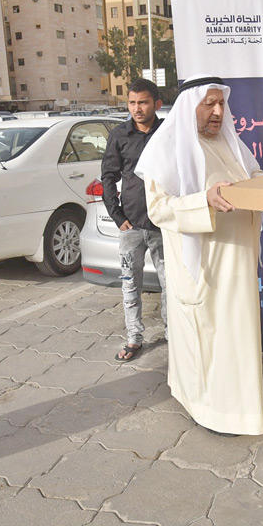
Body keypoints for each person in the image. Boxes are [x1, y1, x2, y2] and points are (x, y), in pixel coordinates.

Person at [135, 75, 263, 436]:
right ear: (189, 105)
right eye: (209, 103)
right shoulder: (166, 148)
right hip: (203, 269)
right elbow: (159, 210)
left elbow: (252, 175)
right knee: (208, 341)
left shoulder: (231, 142)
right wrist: (203, 200)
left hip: (238, 264)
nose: (218, 111)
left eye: (222, 103)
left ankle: (243, 411)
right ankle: (209, 410)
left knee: (237, 339)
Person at [101, 78, 167, 362]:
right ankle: (134, 338)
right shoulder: (119, 134)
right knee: (130, 282)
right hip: (132, 226)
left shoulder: (168, 134)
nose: (137, 109)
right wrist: (117, 216)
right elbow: (108, 177)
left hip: (165, 223)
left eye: (143, 102)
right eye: (132, 103)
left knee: (171, 284)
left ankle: (174, 336)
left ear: (157, 104)